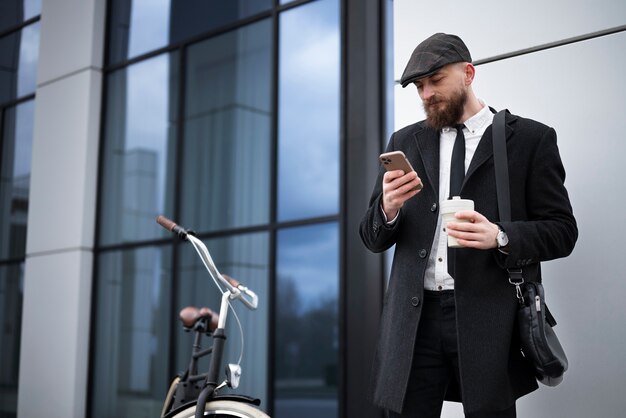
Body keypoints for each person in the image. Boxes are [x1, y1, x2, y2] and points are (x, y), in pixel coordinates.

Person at [359, 33, 577, 418]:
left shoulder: (529, 140)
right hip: (414, 321)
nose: (426, 94)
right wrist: (388, 208)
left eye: (435, 80)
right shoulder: (405, 141)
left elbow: (562, 231)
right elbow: (372, 238)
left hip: (488, 321)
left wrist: (501, 235)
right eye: (419, 86)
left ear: (468, 73)